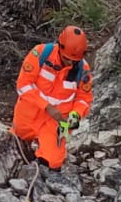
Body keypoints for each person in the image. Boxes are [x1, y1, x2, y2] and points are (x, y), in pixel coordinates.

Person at [12, 26, 93, 169]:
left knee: (53, 163)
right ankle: (27, 142)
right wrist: (46, 106)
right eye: (67, 59)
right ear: (60, 47)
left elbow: (84, 99)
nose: (70, 64)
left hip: (58, 122)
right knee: (15, 142)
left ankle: (43, 154)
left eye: (74, 61)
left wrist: (75, 115)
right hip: (30, 113)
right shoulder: (41, 53)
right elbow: (23, 84)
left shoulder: (83, 70)